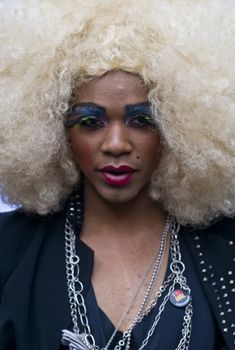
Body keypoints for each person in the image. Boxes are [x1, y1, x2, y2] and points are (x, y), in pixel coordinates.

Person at [0, 1, 234, 349]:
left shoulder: (226, 248)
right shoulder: (9, 251)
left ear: (180, 126)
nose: (115, 144)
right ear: (56, 131)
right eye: (90, 121)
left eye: (142, 120)